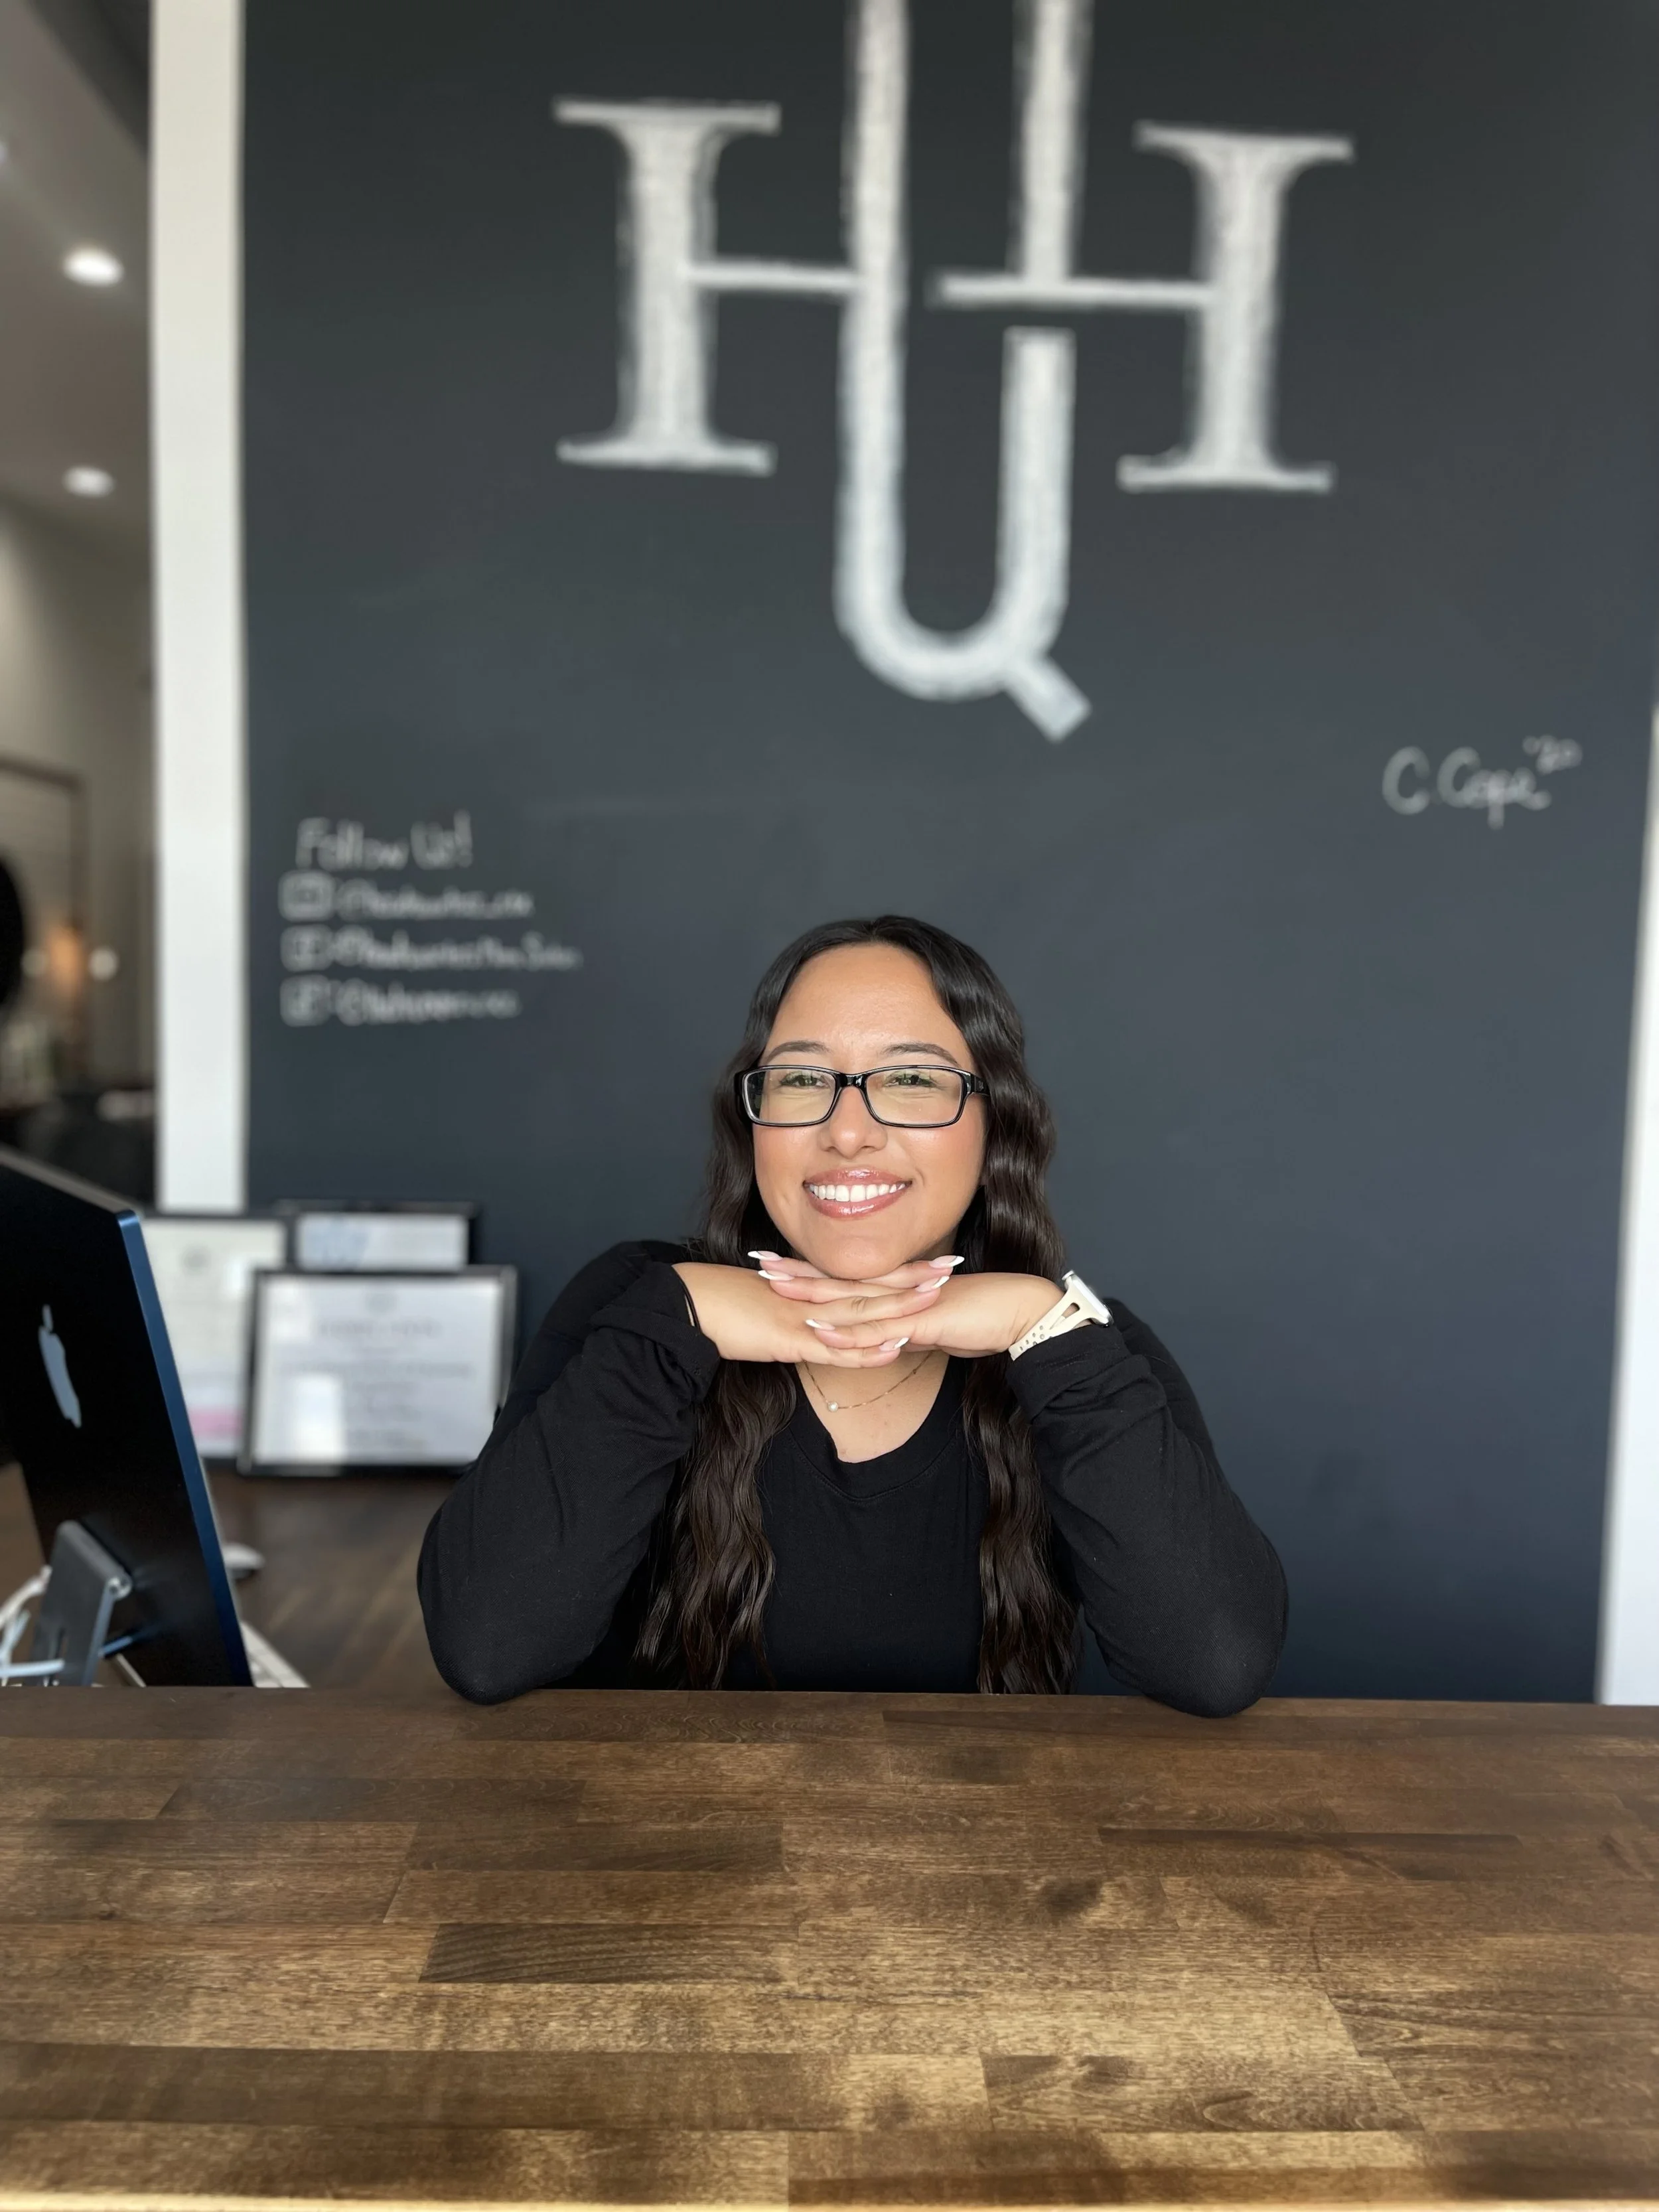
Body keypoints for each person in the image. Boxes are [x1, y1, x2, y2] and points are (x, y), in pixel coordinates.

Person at [419, 916, 1286, 1708]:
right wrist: (678, 1313)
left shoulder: (1076, 1347)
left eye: (911, 1079)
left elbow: (1214, 1661)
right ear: (753, 1119)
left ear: (995, 1122)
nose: (847, 1132)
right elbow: (489, 1644)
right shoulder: (637, 1311)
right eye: (802, 1079)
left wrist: (1041, 1324)